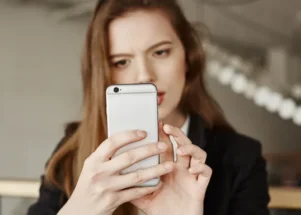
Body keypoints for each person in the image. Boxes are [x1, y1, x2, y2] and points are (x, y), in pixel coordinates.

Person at [27, 0, 270, 214]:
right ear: (104, 74)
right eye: (121, 62)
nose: (144, 75)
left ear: (188, 57)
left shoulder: (240, 158)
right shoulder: (73, 150)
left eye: (161, 52)